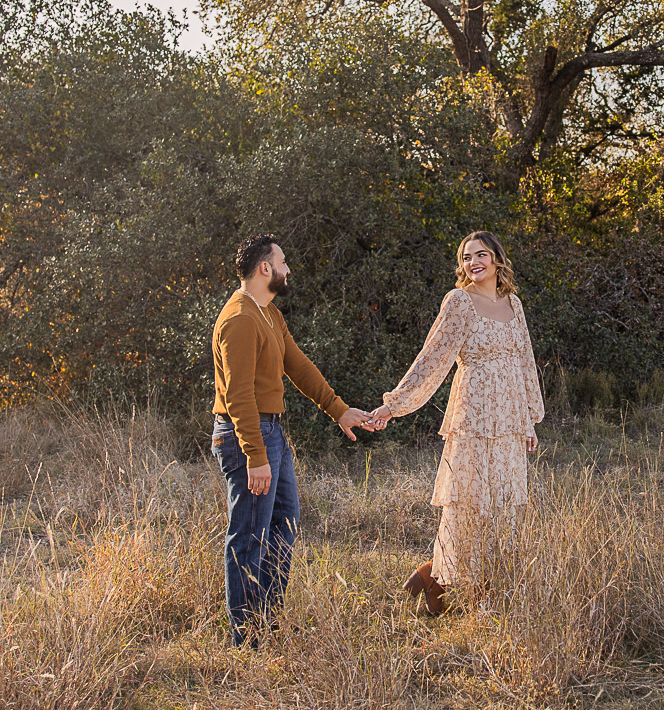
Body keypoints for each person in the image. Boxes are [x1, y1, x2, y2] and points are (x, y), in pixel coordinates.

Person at [365, 230, 544, 615]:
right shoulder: (459, 302)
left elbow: (525, 362)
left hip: (510, 420)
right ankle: (450, 586)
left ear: (497, 259)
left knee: (503, 506)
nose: (472, 262)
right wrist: (393, 405)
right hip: (474, 417)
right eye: (465, 258)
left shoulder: (514, 303)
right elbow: (433, 358)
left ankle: (441, 579)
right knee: (470, 505)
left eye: (480, 254)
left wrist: (529, 419)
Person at [212, 234, 376, 646]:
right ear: (265, 268)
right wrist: (255, 455)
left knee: (284, 524)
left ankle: (268, 622)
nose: (289, 270)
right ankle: (247, 639)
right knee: (249, 535)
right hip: (247, 436)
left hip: (271, 433)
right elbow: (238, 395)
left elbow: (298, 366)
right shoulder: (240, 320)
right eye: (283, 262)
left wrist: (338, 409)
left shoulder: (269, 315)